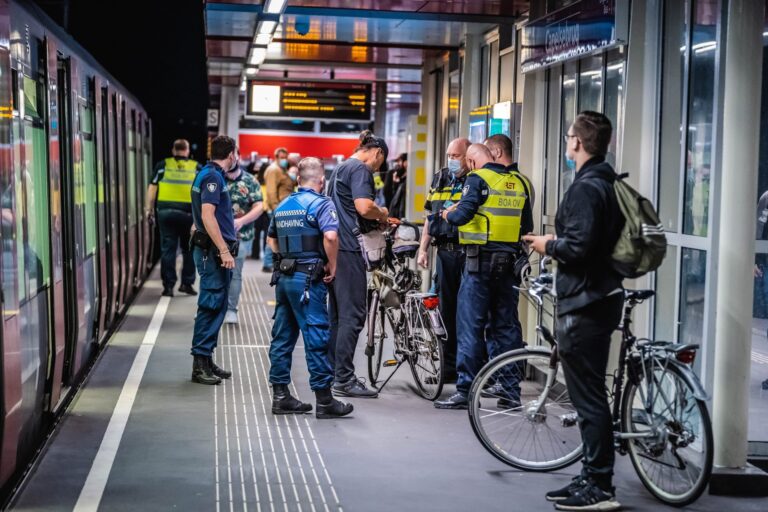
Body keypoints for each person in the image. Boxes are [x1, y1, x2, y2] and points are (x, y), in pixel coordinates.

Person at [524, 111, 624, 511]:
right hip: (602, 295)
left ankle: (600, 486)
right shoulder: (608, 182)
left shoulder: (585, 188)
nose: (567, 143)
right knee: (589, 394)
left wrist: (548, 245)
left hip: (585, 301)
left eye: (568, 137)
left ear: (577, 143)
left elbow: (579, 248)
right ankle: (589, 474)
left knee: (589, 398)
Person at [434, 143, 532, 410]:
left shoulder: (477, 178)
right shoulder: (520, 182)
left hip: (480, 264)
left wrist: (448, 212)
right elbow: (528, 227)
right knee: (507, 328)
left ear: (472, 161)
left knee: (470, 326)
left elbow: (463, 216)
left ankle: (466, 391)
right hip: (509, 266)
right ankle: (510, 392)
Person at [267, 157, 354, 418]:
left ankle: (281, 396)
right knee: (316, 336)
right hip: (308, 281)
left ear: (297, 180)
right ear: (321, 181)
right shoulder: (322, 204)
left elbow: (272, 239)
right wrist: (333, 264)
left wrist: (285, 259)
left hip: (284, 279)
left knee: (282, 338)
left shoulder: (283, 205)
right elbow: (330, 236)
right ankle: (325, 401)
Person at [327, 130, 390, 398]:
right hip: (349, 249)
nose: (378, 169)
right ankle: (344, 379)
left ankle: (333, 374)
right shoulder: (361, 170)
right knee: (353, 316)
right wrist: (383, 213)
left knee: (338, 318)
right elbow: (364, 207)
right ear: (377, 153)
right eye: (381, 163)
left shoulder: (340, 168)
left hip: (333, 249)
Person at [417, 138, 471, 383]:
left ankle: (467, 370)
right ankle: (448, 368)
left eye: (456, 155)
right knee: (445, 312)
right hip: (445, 253)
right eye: (449, 153)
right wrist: (423, 248)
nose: (451, 158)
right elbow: (431, 216)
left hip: (468, 252)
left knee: (468, 313)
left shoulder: (475, 179)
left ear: (467, 156)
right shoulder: (440, 178)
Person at [188, 135, 240, 385]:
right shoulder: (212, 177)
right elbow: (208, 215)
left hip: (211, 250)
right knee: (210, 305)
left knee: (217, 305)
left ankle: (206, 359)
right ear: (231, 154)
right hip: (213, 253)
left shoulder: (207, 173)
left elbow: (202, 213)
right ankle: (199, 364)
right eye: (236, 154)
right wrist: (223, 250)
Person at [145, 139, 201, 297]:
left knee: (168, 250)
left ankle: (168, 287)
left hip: (166, 213)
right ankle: (187, 283)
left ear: (173, 150)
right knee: (189, 250)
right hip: (189, 215)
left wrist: (148, 209)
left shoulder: (163, 165)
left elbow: (152, 188)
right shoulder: (196, 167)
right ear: (187, 151)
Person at [223, 155, 264, 324]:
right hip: (215, 235)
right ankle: (210, 308)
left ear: (237, 158)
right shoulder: (216, 178)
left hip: (241, 236)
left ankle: (231, 309)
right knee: (212, 273)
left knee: (235, 273)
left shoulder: (250, 181)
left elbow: (259, 206)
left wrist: (241, 221)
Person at [263, 147, 294, 272]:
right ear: (276, 157)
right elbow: (271, 191)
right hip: (277, 208)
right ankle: (267, 263)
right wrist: (276, 209)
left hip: (283, 208)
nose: (284, 160)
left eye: (286, 158)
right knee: (273, 236)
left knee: (278, 236)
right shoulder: (273, 170)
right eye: (282, 158)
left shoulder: (282, 169)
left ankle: (272, 262)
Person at [484, 133, 535, 208]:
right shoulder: (525, 181)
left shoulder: (492, 180)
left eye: (487, 152)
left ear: (498, 152)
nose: (485, 157)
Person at [387, 153, 408, 219]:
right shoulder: (397, 175)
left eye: (400, 161)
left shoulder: (409, 179)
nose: (398, 164)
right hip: (397, 212)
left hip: (402, 212)